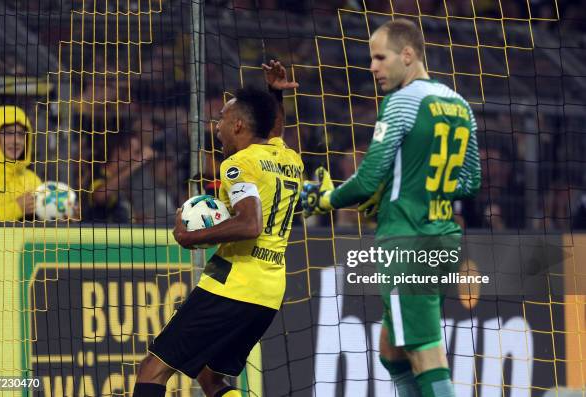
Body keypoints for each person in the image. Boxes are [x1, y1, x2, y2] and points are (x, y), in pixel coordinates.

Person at [301, 19, 481, 397]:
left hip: (407, 240)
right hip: (442, 238)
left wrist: (326, 199)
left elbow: (367, 180)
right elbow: (470, 182)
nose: (373, 67)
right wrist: (412, 187)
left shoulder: (399, 103)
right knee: (392, 351)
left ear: (408, 55)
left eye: (380, 57)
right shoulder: (460, 104)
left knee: (425, 354)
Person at [133, 83, 303, 397]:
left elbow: (250, 223)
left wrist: (191, 236)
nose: (217, 128)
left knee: (152, 370)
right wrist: (275, 95)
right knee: (210, 378)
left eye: (221, 120)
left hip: (232, 282)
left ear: (238, 124)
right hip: (269, 291)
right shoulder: (289, 158)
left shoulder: (238, 165)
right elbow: (274, 129)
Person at [0, 105, 42, 221]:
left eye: (21, 134)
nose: (16, 141)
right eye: (8, 133)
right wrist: (17, 208)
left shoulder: (34, 179)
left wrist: (64, 217)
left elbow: (45, 226)